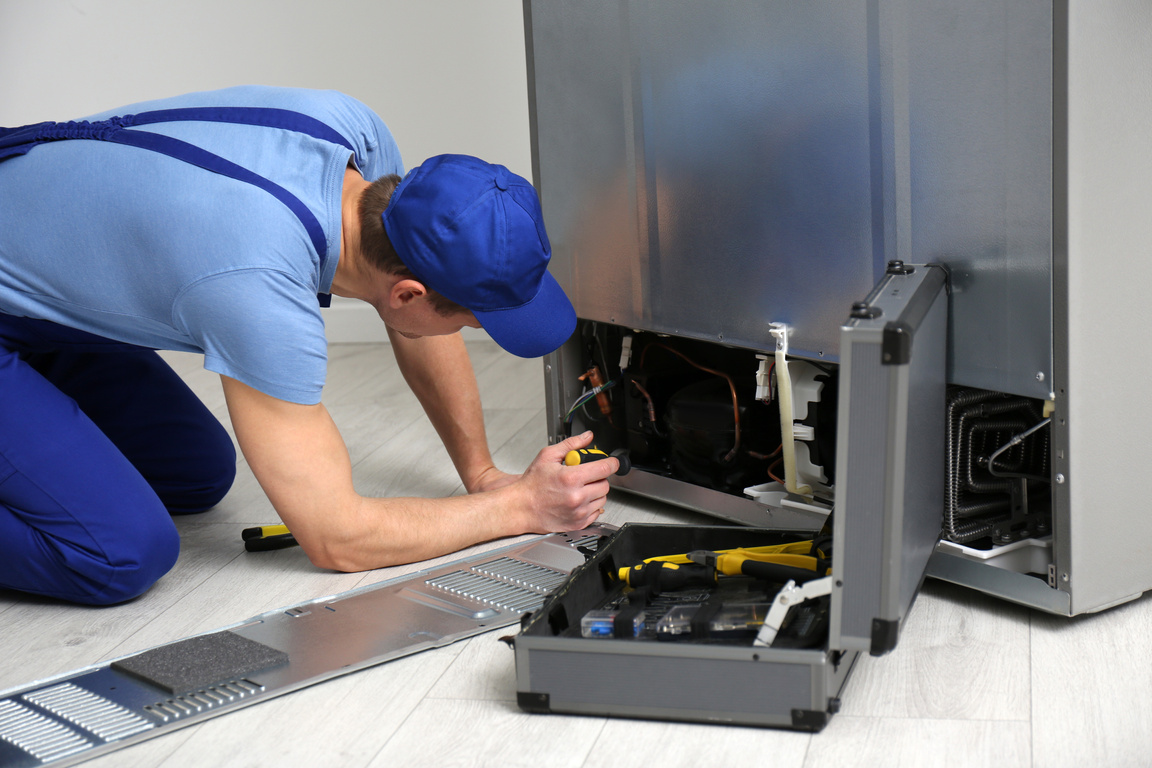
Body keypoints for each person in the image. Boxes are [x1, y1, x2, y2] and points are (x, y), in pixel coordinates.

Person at [0, 85, 618, 606]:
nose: (464, 333)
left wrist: (483, 476)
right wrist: (520, 511)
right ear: (408, 294)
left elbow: (417, 325)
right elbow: (337, 538)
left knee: (195, 474)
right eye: (468, 322)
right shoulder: (259, 285)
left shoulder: (360, 147)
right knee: (121, 551)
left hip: (38, 294)